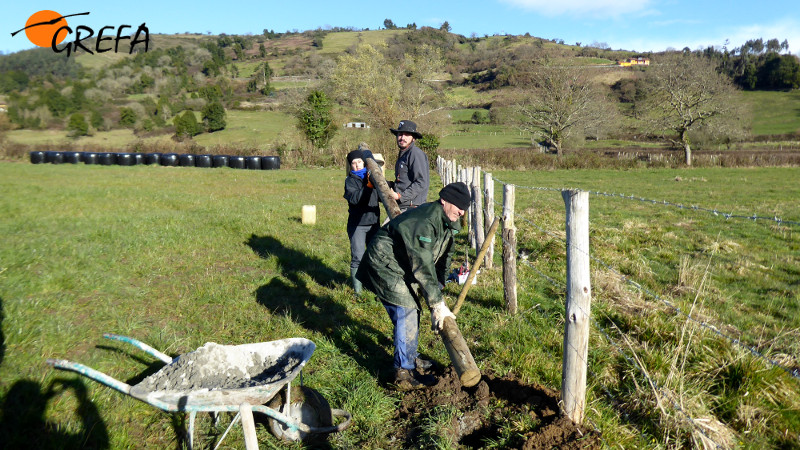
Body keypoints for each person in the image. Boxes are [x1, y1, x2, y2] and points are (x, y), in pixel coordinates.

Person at [356, 182, 471, 389]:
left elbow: (445, 256)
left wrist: (439, 286)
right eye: (458, 206)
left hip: (400, 264)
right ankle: (403, 371)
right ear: (444, 200)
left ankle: (409, 355)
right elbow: (423, 263)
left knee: (411, 310)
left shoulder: (447, 221)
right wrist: (436, 303)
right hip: (384, 263)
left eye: (465, 208)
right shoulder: (426, 221)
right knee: (406, 310)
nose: (462, 212)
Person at [343, 149, 380, 294]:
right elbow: (355, 199)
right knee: (358, 257)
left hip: (374, 222)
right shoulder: (350, 181)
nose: (357, 165)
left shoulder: (373, 176)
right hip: (357, 224)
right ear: (350, 166)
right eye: (353, 163)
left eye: (359, 162)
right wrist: (368, 186)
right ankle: (358, 292)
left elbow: (382, 193)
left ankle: (375, 287)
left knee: (375, 256)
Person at [390, 120, 430, 212]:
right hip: (403, 205)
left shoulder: (415, 154)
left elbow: (421, 182)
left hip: (412, 208)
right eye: (400, 134)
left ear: (413, 138)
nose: (402, 137)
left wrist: (400, 196)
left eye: (407, 135)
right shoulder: (403, 154)